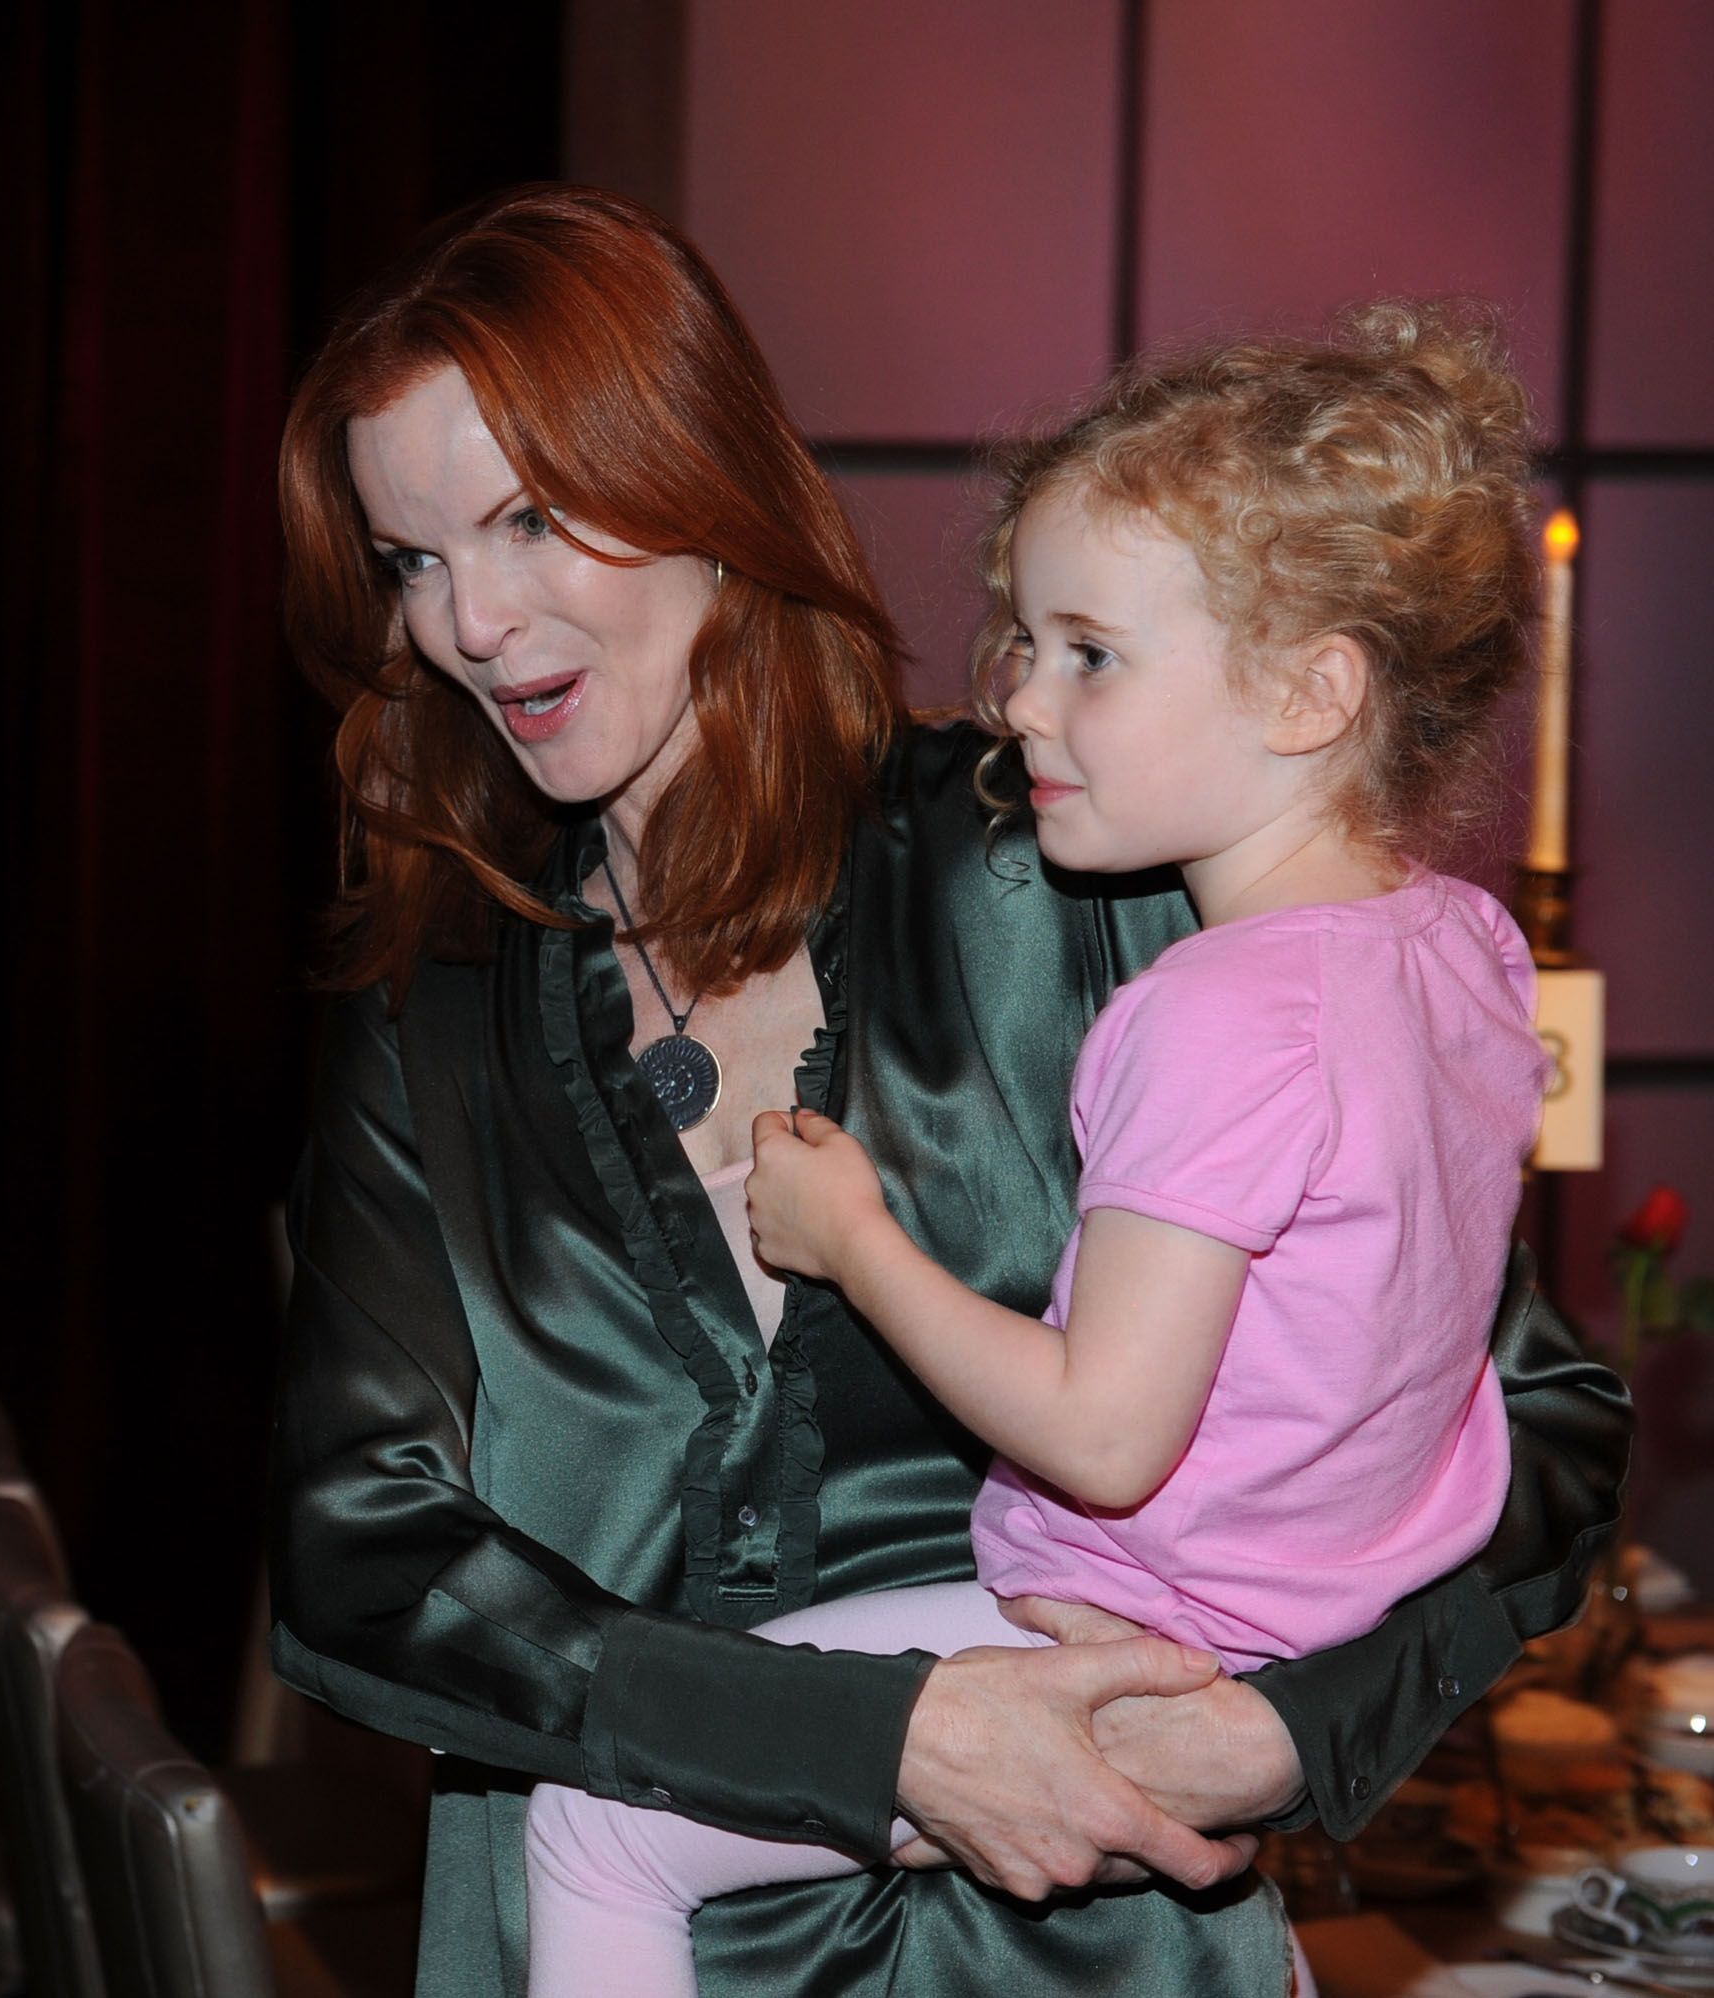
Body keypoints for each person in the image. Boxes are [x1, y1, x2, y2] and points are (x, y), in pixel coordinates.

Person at [265, 184, 1628, 1996]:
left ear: (704, 483)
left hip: (1093, 1942)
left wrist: (1298, 1723)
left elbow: (1531, 1413)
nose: (476, 622)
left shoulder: (1066, 874)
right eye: (413, 560)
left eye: (528, 517)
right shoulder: (432, 1015)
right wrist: (878, 1740)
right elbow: (360, 1552)